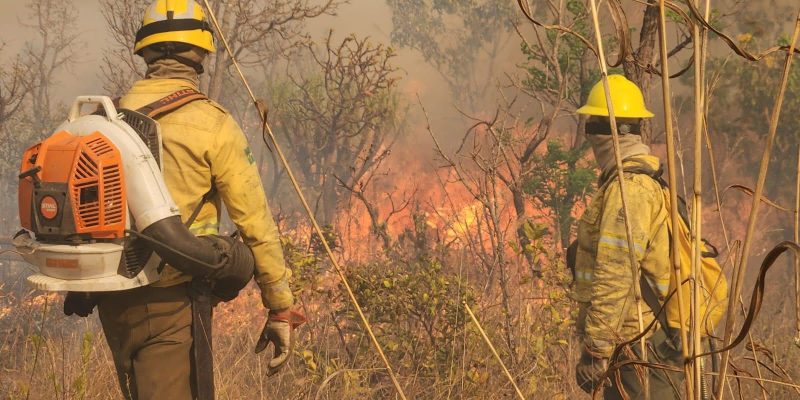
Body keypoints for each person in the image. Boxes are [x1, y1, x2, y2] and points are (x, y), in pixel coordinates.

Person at [64, 1, 302, 398]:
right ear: (201, 55)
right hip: (172, 302)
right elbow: (255, 224)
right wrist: (279, 305)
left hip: (112, 302)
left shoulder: (105, 119)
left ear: (144, 51)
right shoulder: (213, 123)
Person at [571, 74, 683, 399]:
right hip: (639, 344)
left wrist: (596, 350)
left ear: (612, 131)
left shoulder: (628, 190)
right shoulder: (636, 181)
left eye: (593, 125)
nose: (590, 135)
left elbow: (616, 274)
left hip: (641, 346)